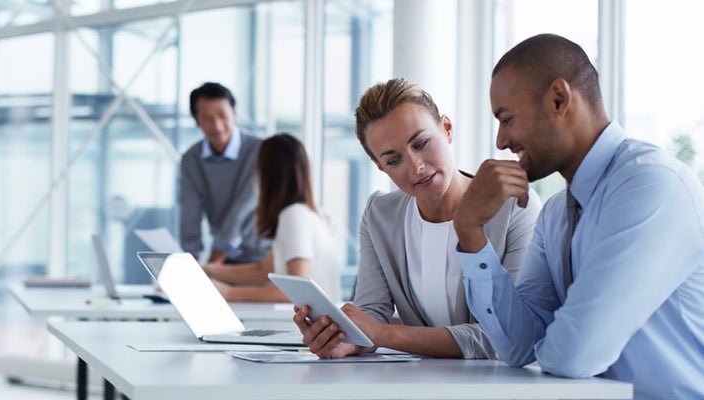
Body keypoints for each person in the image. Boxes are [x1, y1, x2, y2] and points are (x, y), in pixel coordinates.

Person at [452, 33, 704, 399]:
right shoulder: (556, 213)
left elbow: (573, 356)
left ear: (559, 98)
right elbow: (520, 346)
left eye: (506, 119)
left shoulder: (650, 186)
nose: (501, 141)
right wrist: (470, 229)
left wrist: (552, 341)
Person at [293, 78, 541, 359]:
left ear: (447, 129)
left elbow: (505, 336)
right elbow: (371, 312)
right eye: (393, 160)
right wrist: (347, 338)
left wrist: (384, 334)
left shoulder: (514, 208)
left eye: (421, 143)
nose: (416, 166)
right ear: (380, 166)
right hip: (418, 383)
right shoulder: (380, 215)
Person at [204, 133, 340, 302]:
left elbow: (297, 291)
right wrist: (206, 270)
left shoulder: (294, 216)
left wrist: (228, 293)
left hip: (305, 325)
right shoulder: (310, 213)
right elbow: (262, 270)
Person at [179, 82, 269, 265]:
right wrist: (190, 262)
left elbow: (244, 206)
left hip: (263, 256)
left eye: (222, 115)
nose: (217, 126)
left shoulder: (260, 151)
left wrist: (214, 261)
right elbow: (190, 212)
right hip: (225, 258)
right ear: (197, 122)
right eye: (207, 118)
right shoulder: (191, 159)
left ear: (234, 113)